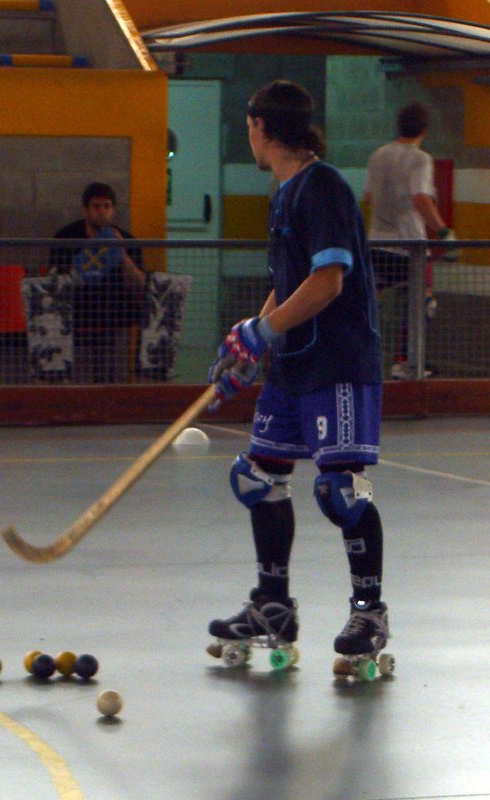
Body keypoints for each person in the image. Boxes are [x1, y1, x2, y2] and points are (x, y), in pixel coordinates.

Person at [207, 79, 389, 668]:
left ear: (262, 127)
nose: (249, 137)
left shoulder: (322, 187)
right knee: (258, 477)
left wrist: (266, 331)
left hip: (336, 360)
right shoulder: (284, 192)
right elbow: (288, 285)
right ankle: (272, 605)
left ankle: (369, 611)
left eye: (249, 128)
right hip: (292, 363)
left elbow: (328, 281)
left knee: (341, 491)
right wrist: (250, 342)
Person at [364, 102, 457, 380]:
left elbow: (369, 196)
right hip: (410, 246)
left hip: (377, 244)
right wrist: (443, 232)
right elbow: (420, 198)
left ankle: (360, 357)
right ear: (424, 129)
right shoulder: (420, 159)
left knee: (370, 303)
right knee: (421, 303)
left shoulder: (378, 155)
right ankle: (406, 361)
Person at [49, 182, 146, 383]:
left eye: (107, 206)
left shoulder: (127, 240)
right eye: (96, 206)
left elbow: (140, 283)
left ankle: (122, 378)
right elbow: (55, 279)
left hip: (113, 306)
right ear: (86, 209)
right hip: (78, 304)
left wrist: (121, 253)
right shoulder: (66, 237)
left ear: (113, 209)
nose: (101, 212)